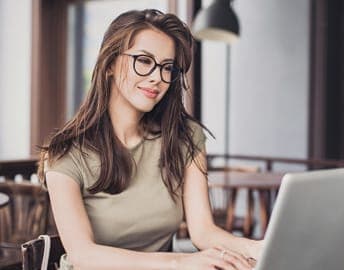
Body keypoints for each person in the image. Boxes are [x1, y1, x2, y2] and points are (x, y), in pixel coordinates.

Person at [38, 9, 262, 270]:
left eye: (167, 67)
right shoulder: (65, 152)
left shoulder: (185, 137)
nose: (157, 77)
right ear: (109, 64)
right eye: (144, 61)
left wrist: (255, 247)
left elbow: (203, 232)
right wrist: (182, 262)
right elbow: (83, 255)